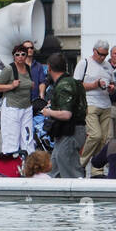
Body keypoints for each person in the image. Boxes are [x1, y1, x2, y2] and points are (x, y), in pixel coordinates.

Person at [74, 39, 115, 175]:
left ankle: (97, 169)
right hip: (90, 103)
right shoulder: (84, 63)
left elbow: (113, 84)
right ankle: (80, 163)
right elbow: (77, 85)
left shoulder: (108, 66)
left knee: (103, 139)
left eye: (105, 55)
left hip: (106, 104)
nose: (102, 57)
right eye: (100, 54)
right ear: (94, 50)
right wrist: (95, 84)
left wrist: (111, 88)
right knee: (95, 135)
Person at [43, 51, 85, 179]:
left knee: (72, 173)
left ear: (49, 67)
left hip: (70, 133)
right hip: (71, 132)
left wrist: (48, 111)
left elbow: (66, 114)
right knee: (53, 170)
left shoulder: (63, 85)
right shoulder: (74, 82)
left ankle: (80, 198)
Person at [0, 43, 34, 156]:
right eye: (17, 54)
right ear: (14, 56)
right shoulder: (9, 69)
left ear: (26, 56)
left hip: (26, 107)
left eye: (23, 54)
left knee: (28, 137)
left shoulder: (28, 68)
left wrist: (31, 85)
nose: (20, 56)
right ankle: (10, 165)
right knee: (12, 138)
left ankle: (27, 165)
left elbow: (28, 83)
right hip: (11, 107)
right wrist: (11, 86)